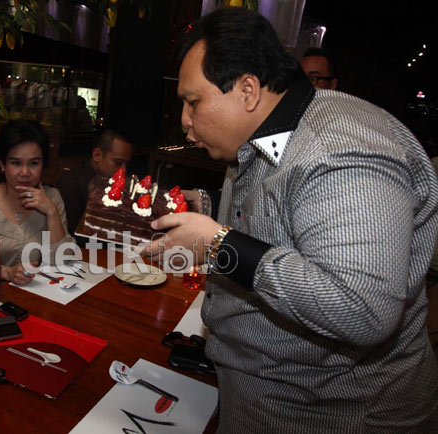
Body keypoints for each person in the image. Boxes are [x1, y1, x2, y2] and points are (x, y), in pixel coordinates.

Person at [144, 8, 438, 433]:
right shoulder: (266, 134)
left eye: (193, 102)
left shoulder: (339, 151)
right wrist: (207, 208)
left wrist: (220, 246)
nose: (185, 121)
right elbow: (283, 215)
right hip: (269, 390)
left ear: (247, 90)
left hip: (329, 412)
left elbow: (363, 308)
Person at [0, 120, 74, 285]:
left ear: (43, 165)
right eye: (16, 163)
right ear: (2, 164)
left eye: (34, 163)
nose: (25, 172)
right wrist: (6, 272)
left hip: (39, 291)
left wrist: (51, 212)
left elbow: (63, 261)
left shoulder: (52, 198)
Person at [57, 129, 134, 242]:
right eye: (118, 162)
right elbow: (72, 233)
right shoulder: (72, 183)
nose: (124, 169)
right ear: (97, 155)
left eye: (126, 164)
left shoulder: (118, 182)